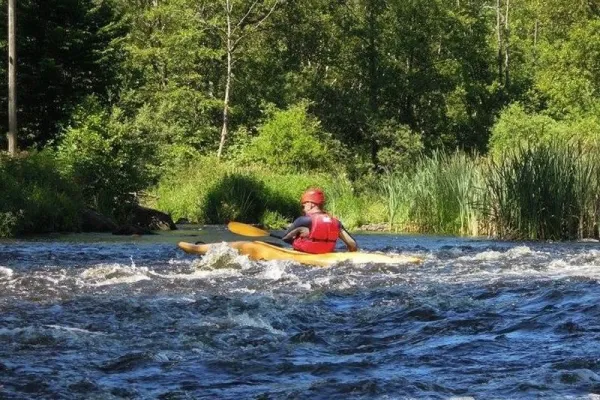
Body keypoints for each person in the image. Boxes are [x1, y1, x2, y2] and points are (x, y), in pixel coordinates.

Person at [281, 188, 358, 254]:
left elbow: (285, 238)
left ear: (311, 204)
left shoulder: (303, 220)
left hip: (305, 256)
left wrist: (296, 242)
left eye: (303, 206)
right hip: (327, 257)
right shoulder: (336, 223)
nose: (303, 209)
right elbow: (353, 244)